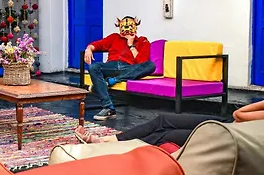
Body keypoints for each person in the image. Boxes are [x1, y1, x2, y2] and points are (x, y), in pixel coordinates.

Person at [75, 100, 264, 146]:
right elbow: (236, 116)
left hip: (228, 135)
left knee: (165, 136)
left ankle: (106, 144)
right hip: (226, 123)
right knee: (163, 120)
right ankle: (110, 140)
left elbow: (239, 113)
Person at [85, 16, 156, 121]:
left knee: (151, 65)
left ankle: (111, 81)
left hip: (129, 68)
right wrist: (89, 49)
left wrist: (131, 45)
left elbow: (141, 62)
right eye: (123, 27)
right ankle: (108, 107)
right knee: (93, 67)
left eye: (130, 26)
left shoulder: (142, 41)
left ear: (135, 27)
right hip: (111, 66)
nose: (126, 30)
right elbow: (98, 44)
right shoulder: (114, 37)